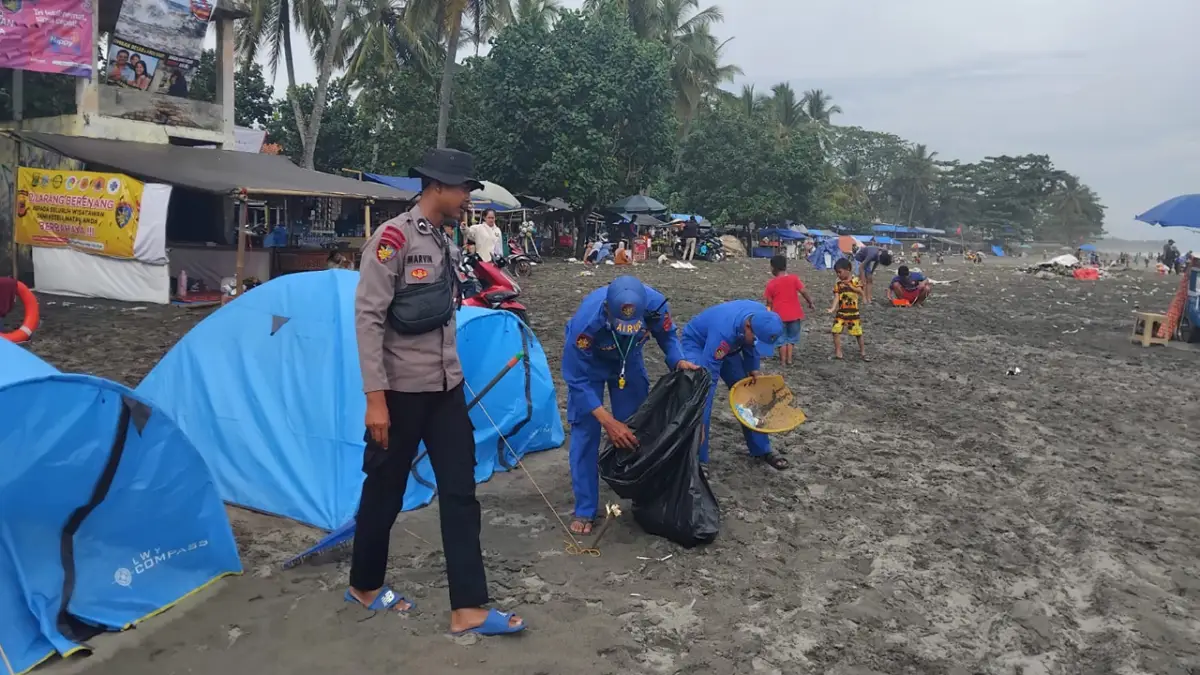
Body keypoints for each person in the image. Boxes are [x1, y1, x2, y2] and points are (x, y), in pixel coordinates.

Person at [351, 147, 524, 636]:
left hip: (446, 388)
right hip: (400, 393)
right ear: (437, 187)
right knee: (384, 490)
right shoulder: (392, 240)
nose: (469, 197)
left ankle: (467, 607)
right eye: (464, 188)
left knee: (460, 493)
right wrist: (375, 398)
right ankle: (364, 585)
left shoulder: (445, 242)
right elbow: (368, 319)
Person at [561, 276, 698, 535]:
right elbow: (576, 379)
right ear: (606, 310)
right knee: (585, 432)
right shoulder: (585, 325)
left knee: (636, 427)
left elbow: (668, 337)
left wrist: (678, 360)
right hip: (590, 366)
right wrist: (608, 422)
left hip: (628, 359)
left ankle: (638, 491)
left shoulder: (656, 305)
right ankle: (585, 508)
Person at [680, 300, 789, 470]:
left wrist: (753, 368)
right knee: (701, 398)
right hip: (698, 344)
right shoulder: (723, 333)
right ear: (747, 326)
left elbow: (752, 344)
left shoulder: (762, 317)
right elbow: (709, 375)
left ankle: (762, 449)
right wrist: (704, 393)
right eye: (756, 339)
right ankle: (698, 458)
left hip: (731, 346)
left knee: (749, 393)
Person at [763, 255, 814, 366]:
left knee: (781, 340)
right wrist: (810, 302)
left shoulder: (771, 284)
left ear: (773, 268)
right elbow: (804, 291)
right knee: (791, 339)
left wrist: (768, 314)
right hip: (795, 314)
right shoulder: (794, 279)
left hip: (779, 316)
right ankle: (789, 359)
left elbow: (769, 302)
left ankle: (782, 361)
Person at [829, 258, 867, 361]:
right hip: (841, 312)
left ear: (848, 269)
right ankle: (838, 352)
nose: (838, 275)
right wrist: (833, 308)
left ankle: (863, 351)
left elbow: (861, 292)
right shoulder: (838, 283)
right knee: (835, 331)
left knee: (858, 333)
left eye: (840, 272)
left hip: (853, 312)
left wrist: (850, 286)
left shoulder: (855, 280)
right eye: (837, 273)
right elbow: (837, 296)